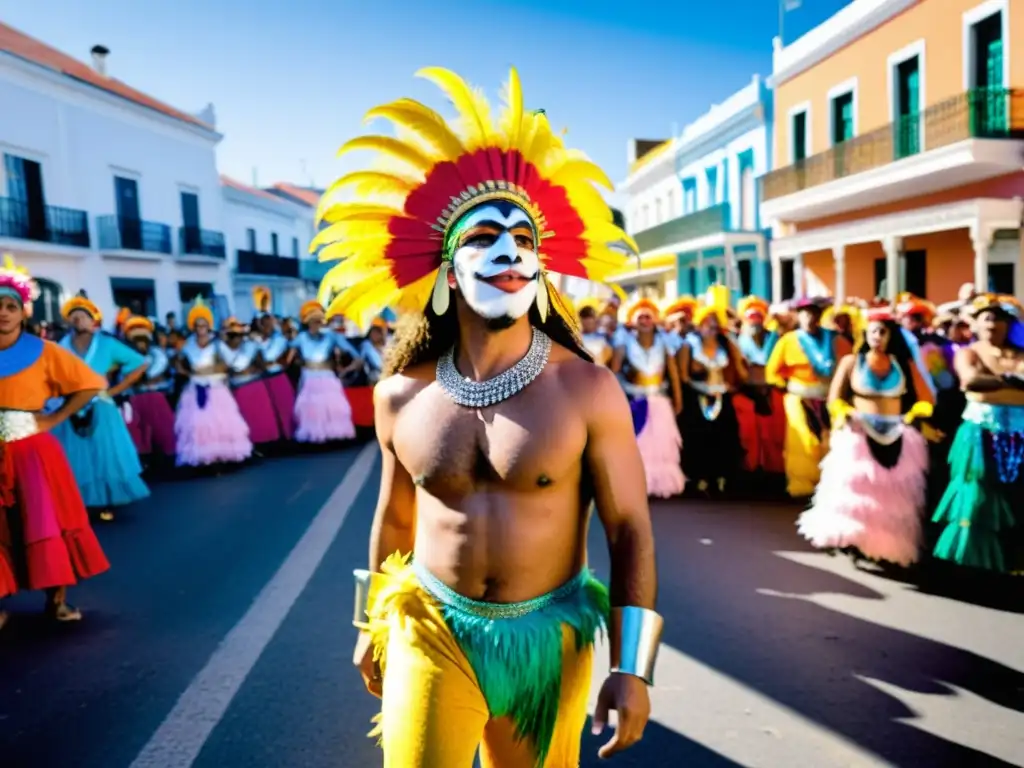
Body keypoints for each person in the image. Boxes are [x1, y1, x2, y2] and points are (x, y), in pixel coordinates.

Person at [314, 67, 661, 766]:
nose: (509, 249)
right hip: (429, 629)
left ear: (539, 273)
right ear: (446, 275)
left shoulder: (587, 390)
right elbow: (394, 520)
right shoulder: (400, 396)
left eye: (525, 240)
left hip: (548, 641)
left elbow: (629, 529)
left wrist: (632, 669)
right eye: (484, 237)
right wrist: (370, 623)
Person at [0, 255, 110, 627]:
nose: (3, 313)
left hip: (33, 450)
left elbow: (91, 384)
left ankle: (57, 599)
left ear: (23, 312)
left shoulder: (44, 351)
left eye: (11, 306)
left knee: (44, 519)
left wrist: (55, 417)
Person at [798, 308, 934, 566]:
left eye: (884, 332)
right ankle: (855, 539)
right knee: (857, 494)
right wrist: (845, 413)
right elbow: (835, 398)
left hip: (896, 433)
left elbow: (925, 399)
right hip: (859, 434)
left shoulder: (903, 364)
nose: (879, 336)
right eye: (874, 331)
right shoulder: (851, 362)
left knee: (893, 498)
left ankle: (884, 546)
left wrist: (915, 414)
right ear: (866, 334)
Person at [933, 294, 1024, 575]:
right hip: (980, 434)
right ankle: (976, 565)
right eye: (987, 317)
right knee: (978, 495)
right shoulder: (969, 352)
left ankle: (1014, 558)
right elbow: (970, 381)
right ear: (976, 323)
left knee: (1017, 496)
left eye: (998, 318)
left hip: (1019, 435)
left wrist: (997, 381)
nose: (992, 323)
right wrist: (1009, 380)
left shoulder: (1019, 354)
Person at [51, 296, 151, 522]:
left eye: (83, 316)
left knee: (104, 454)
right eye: (74, 317)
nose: (78, 320)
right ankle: (80, 502)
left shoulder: (106, 344)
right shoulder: (60, 347)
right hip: (71, 405)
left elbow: (140, 363)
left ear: (92, 320)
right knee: (75, 456)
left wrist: (116, 389)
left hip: (101, 405)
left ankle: (105, 501)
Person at [765, 298, 851, 498]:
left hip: (829, 397)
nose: (809, 318)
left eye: (813, 313)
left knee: (831, 440)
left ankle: (830, 483)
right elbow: (773, 371)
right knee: (802, 440)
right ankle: (801, 484)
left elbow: (850, 366)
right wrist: (786, 386)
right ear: (798, 316)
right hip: (799, 397)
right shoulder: (788, 340)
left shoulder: (835, 339)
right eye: (805, 313)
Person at [612, 297, 686, 499]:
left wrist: (678, 399)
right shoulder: (624, 342)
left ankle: (658, 485)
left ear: (654, 321)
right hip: (635, 400)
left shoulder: (664, 343)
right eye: (640, 317)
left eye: (648, 317)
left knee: (661, 445)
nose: (644, 321)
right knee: (638, 444)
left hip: (660, 401)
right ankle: (637, 484)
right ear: (633, 321)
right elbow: (614, 370)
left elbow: (674, 374)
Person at [677, 298, 745, 495]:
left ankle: (723, 478)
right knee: (699, 440)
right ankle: (701, 478)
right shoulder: (689, 345)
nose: (712, 325)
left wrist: (732, 384)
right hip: (697, 398)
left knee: (725, 439)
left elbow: (738, 369)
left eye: (715, 321)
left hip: (722, 397)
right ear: (699, 323)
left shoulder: (726, 344)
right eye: (708, 320)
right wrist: (701, 387)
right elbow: (683, 375)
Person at [174, 300, 253, 467]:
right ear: (193, 327)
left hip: (216, 388)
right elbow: (178, 363)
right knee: (199, 425)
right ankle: (205, 459)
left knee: (221, 423)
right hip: (195, 389)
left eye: (203, 325)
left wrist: (221, 370)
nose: (200, 328)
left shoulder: (217, 344)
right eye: (197, 325)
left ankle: (223, 457)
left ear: (208, 326)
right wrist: (188, 373)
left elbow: (232, 361)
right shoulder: (188, 346)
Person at [732, 295, 785, 481]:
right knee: (749, 434)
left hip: (771, 391)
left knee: (773, 434)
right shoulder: (737, 341)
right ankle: (750, 471)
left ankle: (773, 472)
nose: (754, 321)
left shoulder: (775, 338)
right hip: (747, 393)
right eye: (750, 317)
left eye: (758, 317)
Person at [291, 300, 359, 443]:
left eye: (318, 321)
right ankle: (316, 438)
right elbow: (288, 358)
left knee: (333, 407)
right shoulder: (301, 338)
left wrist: (346, 370)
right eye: (313, 321)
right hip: (309, 377)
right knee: (311, 409)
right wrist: (298, 363)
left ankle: (334, 436)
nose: (316, 324)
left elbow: (356, 356)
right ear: (307, 323)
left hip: (327, 377)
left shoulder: (332, 336)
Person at [122, 315, 177, 464]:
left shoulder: (157, 354)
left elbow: (152, 375)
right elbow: (125, 378)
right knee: (138, 431)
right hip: (134, 399)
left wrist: (139, 377)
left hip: (155, 397)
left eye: (142, 338)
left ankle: (165, 459)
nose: (140, 343)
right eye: (136, 339)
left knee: (161, 430)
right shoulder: (125, 355)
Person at [222, 317, 282, 446]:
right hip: (236, 387)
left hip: (253, 384)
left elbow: (261, 364)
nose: (236, 338)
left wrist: (254, 370)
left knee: (257, 417)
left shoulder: (251, 346)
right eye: (232, 335)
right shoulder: (221, 349)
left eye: (238, 335)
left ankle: (263, 444)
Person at [575, 298, 612, 366]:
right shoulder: (576, 337)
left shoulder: (603, 334)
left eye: (590, 316)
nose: (588, 320)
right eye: (584, 316)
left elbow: (607, 356)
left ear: (595, 318)